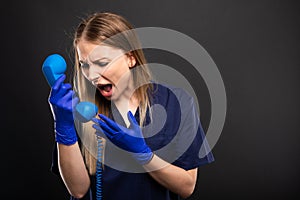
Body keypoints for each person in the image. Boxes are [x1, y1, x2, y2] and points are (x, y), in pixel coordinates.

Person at [48, 12, 214, 200]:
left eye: (102, 63)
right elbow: (78, 190)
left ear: (130, 58)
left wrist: (144, 155)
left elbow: (186, 187)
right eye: (84, 65)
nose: (92, 75)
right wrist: (63, 128)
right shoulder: (80, 109)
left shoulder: (177, 103)